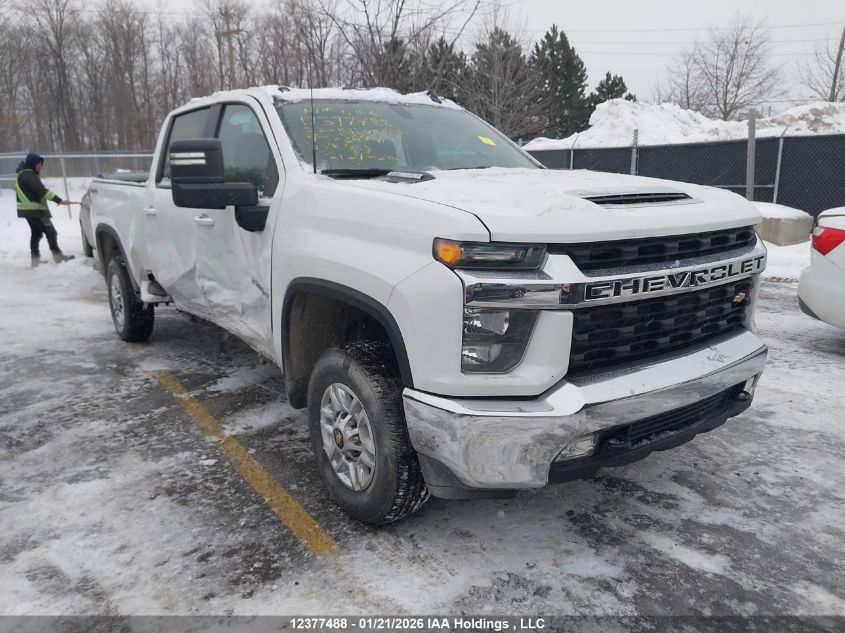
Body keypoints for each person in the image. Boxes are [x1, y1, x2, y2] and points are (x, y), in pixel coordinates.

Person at [16, 152, 76, 268]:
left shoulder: (27, 174)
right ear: (33, 163)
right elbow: (41, 190)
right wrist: (59, 200)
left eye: (41, 164)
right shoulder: (27, 175)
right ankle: (58, 258)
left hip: (31, 211)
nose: (41, 167)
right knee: (50, 231)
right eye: (39, 164)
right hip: (34, 211)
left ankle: (35, 261)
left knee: (36, 234)